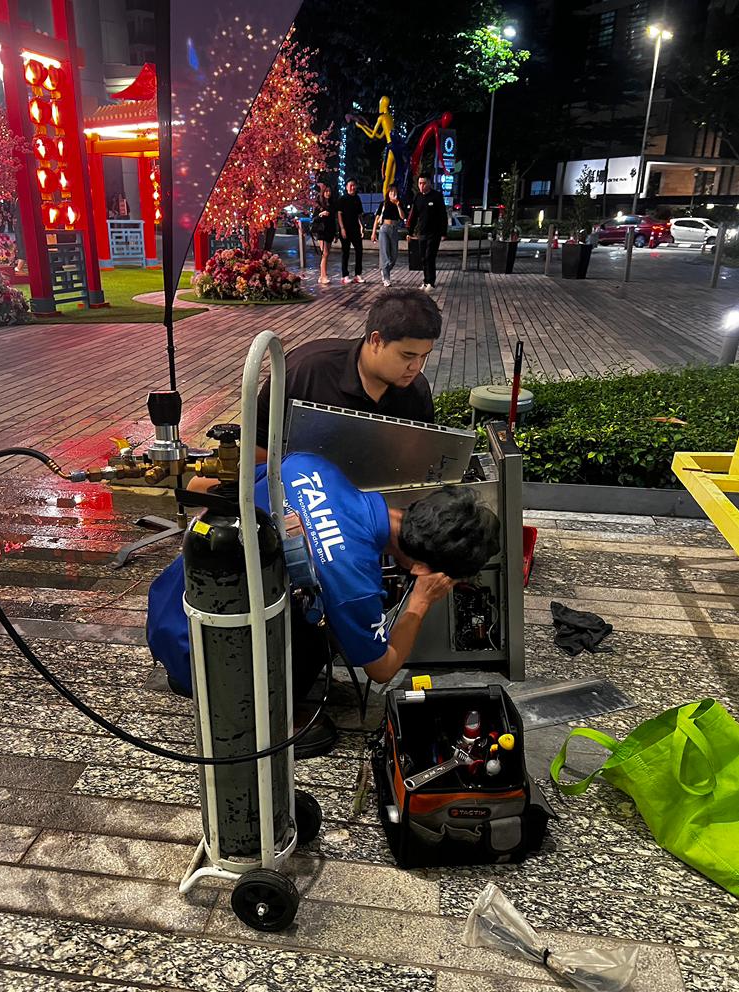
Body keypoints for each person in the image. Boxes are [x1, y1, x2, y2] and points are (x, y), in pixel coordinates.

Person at [147, 455, 501, 757]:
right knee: (325, 625)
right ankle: (261, 721)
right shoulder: (356, 585)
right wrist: (421, 600)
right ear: (425, 569)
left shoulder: (308, 465)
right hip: (201, 664)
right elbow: (382, 668)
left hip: (170, 611)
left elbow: (219, 487)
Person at [254, 287, 440, 460]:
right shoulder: (306, 371)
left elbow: (417, 464)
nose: (416, 367)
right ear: (376, 341)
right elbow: (257, 447)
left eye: (423, 356)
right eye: (407, 355)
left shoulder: (417, 389)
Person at [408, 175, 448, 292]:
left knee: (430, 257)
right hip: (422, 232)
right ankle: (425, 281)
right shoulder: (418, 197)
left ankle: (431, 281)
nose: (421, 186)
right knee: (423, 258)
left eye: (424, 183)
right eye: (420, 183)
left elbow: (443, 215)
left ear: (429, 183)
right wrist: (410, 231)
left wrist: (443, 232)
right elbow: (414, 215)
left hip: (434, 233)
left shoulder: (436, 196)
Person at [371, 184, 407, 286]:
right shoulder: (383, 204)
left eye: (395, 192)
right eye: (391, 192)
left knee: (394, 256)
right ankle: (386, 278)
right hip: (384, 229)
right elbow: (377, 219)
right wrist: (373, 232)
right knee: (385, 254)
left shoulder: (399, 204)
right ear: (388, 193)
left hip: (394, 229)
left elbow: (402, 216)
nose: (393, 194)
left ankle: (384, 269)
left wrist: (398, 204)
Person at [336, 178, 365, 283]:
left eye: (354, 185)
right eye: (350, 185)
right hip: (345, 229)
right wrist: (342, 228)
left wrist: (362, 226)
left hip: (355, 229)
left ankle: (358, 274)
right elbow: (339, 214)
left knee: (359, 250)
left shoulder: (357, 199)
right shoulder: (342, 199)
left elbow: (359, 214)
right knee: (345, 252)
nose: (353, 187)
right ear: (346, 187)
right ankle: (345, 275)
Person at [311, 182, 337, 284]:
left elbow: (333, 219)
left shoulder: (332, 204)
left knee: (327, 254)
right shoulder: (318, 204)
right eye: (326, 191)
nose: (328, 193)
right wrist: (321, 214)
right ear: (323, 192)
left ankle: (322, 275)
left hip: (330, 230)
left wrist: (336, 233)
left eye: (329, 191)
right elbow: (314, 218)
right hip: (321, 231)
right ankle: (323, 275)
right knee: (325, 253)